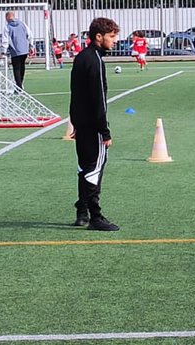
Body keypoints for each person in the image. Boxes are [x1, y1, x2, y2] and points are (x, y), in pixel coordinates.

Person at [70, 17, 121, 232]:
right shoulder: (95, 61)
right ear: (98, 37)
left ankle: (82, 210)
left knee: (84, 168)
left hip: (81, 124)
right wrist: (105, 131)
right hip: (92, 127)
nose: (115, 41)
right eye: (111, 36)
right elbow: (98, 99)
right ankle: (95, 216)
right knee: (93, 170)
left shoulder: (81, 57)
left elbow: (75, 94)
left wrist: (75, 122)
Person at [2, 11, 34, 90]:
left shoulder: (7, 27)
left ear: (6, 18)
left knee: (16, 68)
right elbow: (30, 35)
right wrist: (31, 46)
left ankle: (18, 86)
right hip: (24, 49)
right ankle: (20, 83)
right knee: (22, 66)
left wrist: (4, 51)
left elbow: (5, 40)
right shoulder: (23, 24)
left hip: (15, 50)